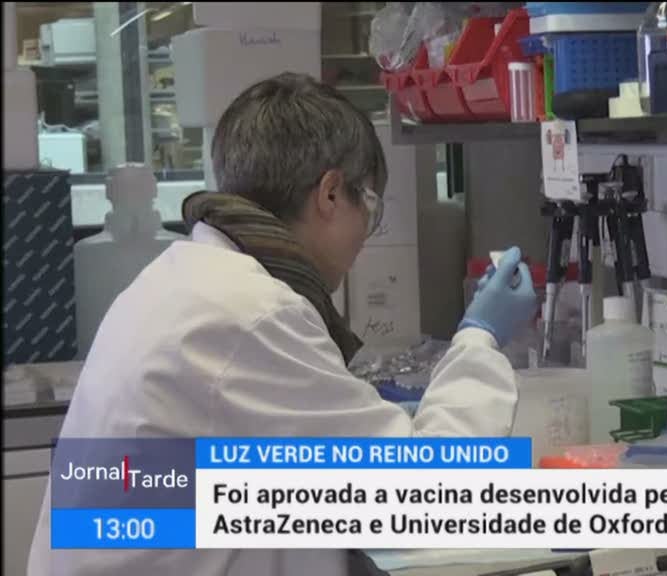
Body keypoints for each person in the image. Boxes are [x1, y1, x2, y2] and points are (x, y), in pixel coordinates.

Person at [28, 73, 537, 576]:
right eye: (371, 207)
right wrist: (480, 337)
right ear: (331, 194)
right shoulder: (250, 312)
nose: (366, 235)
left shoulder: (183, 278)